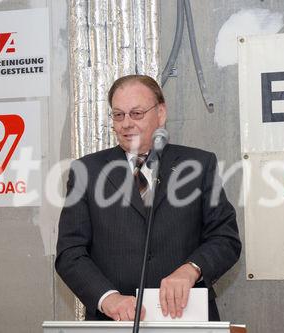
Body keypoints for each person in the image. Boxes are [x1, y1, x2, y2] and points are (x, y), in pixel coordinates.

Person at [55, 74, 241, 321]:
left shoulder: (198, 164)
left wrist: (192, 269)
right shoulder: (87, 171)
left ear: (161, 113)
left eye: (137, 113)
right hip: (115, 322)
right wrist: (107, 298)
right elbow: (70, 252)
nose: (126, 123)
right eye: (118, 115)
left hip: (185, 316)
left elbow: (225, 238)